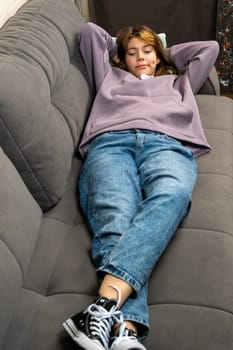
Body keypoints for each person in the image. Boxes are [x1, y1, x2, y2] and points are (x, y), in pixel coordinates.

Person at [63, 22, 219, 350]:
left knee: (174, 193)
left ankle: (103, 305)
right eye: (132, 53)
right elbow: (90, 32)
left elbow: (209, 49)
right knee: (116, 218)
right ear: (121, 57)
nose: (141, 57)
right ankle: (126, 331)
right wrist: (122, 50)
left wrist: (162, 50)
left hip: (167, 143)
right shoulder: (109, 77)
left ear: (158, 54)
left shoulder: (178, 81)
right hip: (110, 143)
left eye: (147, 51)